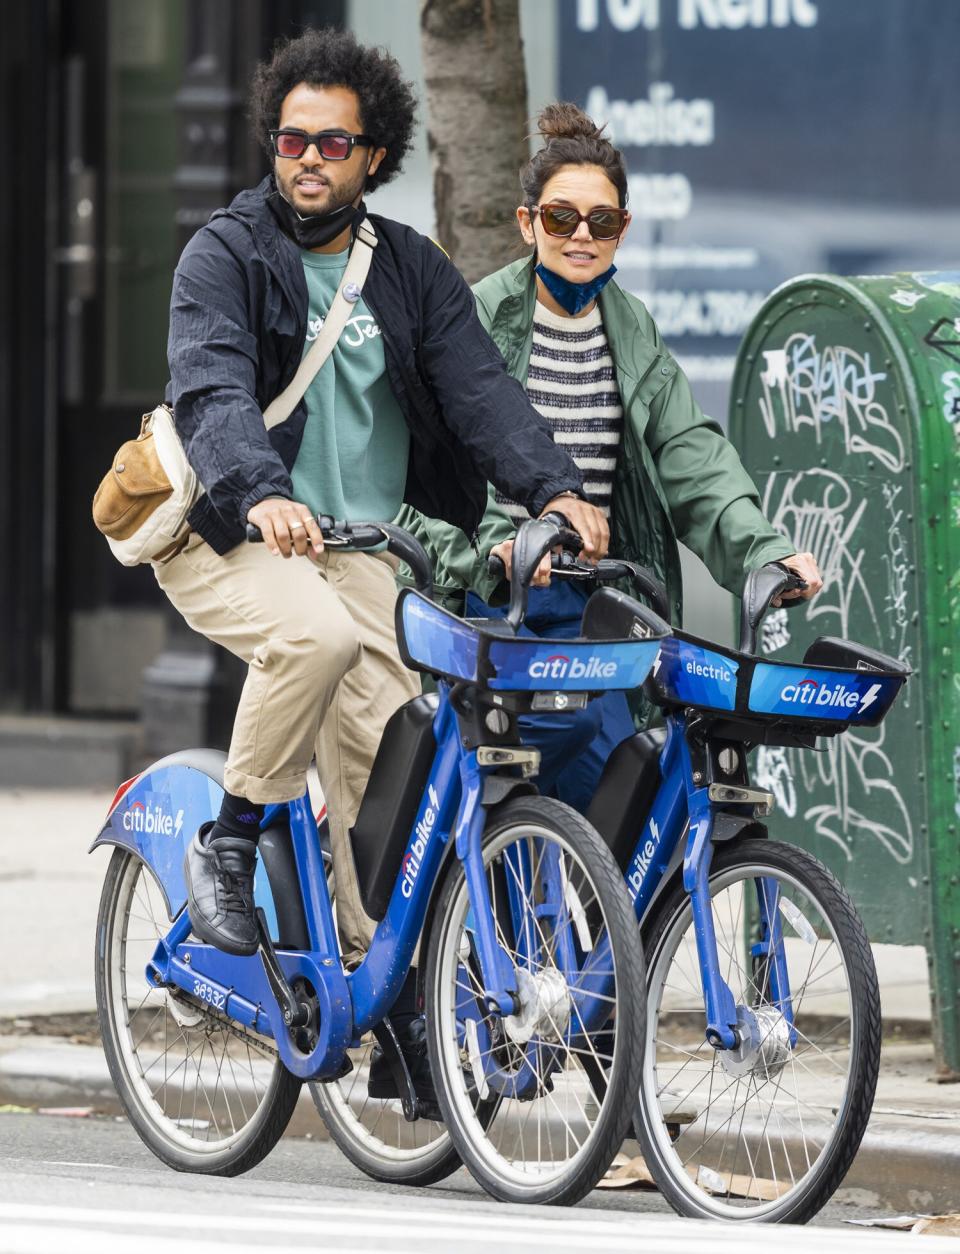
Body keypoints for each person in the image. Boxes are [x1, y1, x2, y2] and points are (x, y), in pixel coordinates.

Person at [155, 32, 609, 1098]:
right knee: (307, 642)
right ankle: (232, 839)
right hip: (229, 529)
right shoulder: (224, 254)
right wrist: (260, 490)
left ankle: (390, 996)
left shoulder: (408, 270)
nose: (308, 157)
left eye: (333, 142)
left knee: (389, 769)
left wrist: (553, 487)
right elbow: (212, 384)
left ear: (376, 154)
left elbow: (484, 394)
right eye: (292, 138)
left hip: (357, 549)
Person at [399, 103, 822, 813]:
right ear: (527, 223)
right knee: (504, 787)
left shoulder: (629, 329)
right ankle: (477, 912)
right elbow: (415, 478)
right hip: (489, 601)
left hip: (593, 605)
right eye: (561, 219)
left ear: (623, 229)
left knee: (628, 794)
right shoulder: (473, 319)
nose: (582, 237)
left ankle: (593, 925)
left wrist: (761, 552)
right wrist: (491, 553)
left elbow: (692, 456)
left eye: (603, 221)